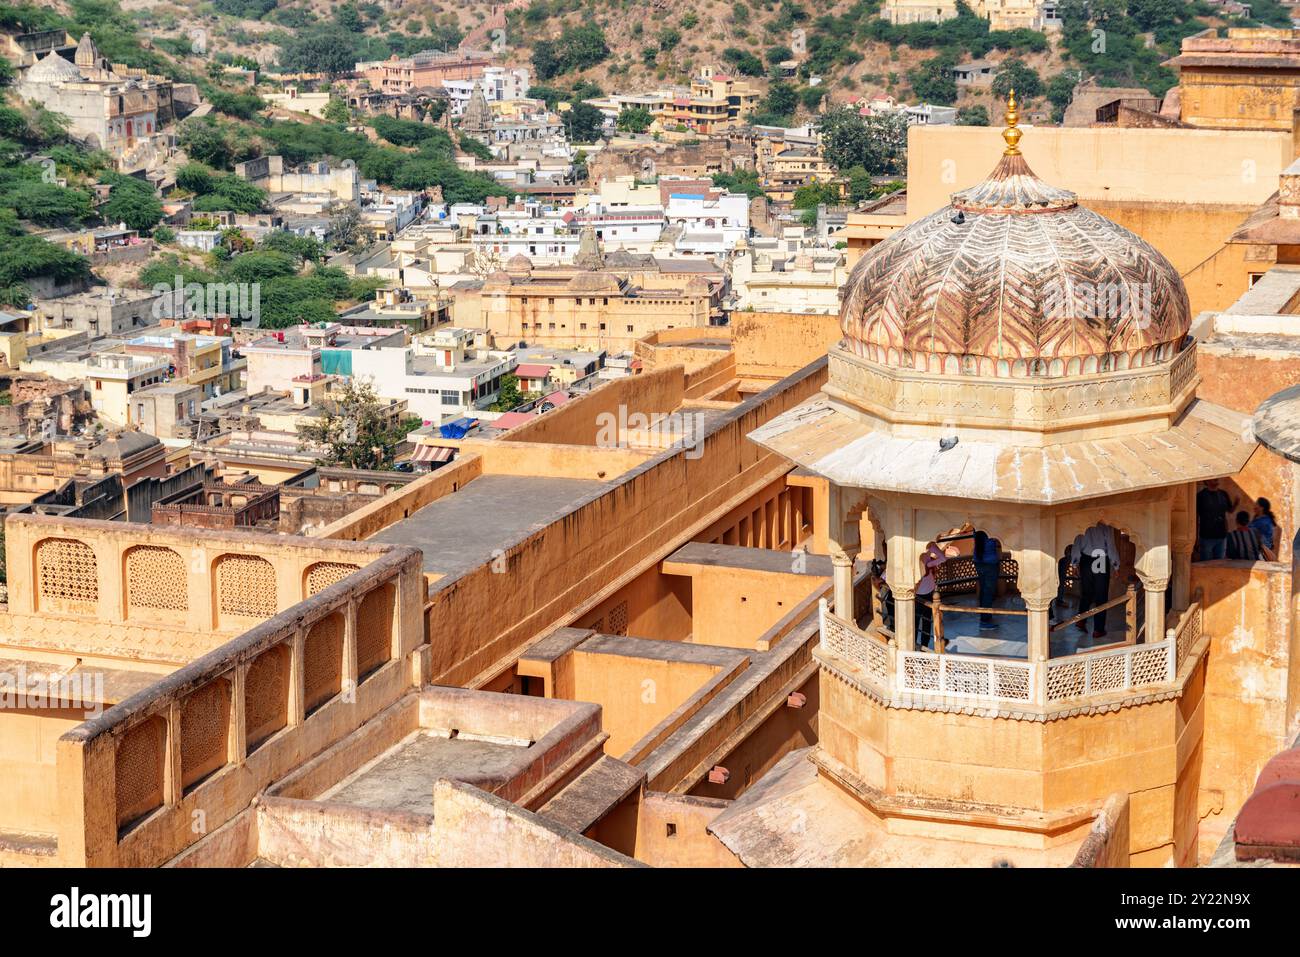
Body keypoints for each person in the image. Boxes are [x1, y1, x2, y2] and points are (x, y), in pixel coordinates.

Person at [1073, 524, 1119, 640]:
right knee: (1101, 596)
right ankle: (1098, 630)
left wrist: (1075, 563)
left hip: (1086, 559)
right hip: (1099, 557)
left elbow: (1077, 541)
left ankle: (1081, 621)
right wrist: (1116, 565)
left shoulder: (1083, 521)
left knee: (1086, 593)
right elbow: (1111, 545)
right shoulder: (1106, 524)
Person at [915, 542, 947, 649]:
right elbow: (943, 558)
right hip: (928, 588)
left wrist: (928, 565)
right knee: (926, 620)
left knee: (915, 620)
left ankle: (913, 646)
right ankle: (924, 646)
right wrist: (929, 564)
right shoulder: (930, 544)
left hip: (915, 588)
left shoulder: (911, 544)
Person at [1196, 479, 1237, 561]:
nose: (1216, 479)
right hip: (1206, 537)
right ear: (1207, 481)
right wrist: (1196, 538)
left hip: (1222, 536)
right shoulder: (1200, 496)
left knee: (1220, 564)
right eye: (1213, 478)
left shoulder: (1223, 494)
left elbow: (1230, 510)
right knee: (1206, 565)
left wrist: (1236, 503)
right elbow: (1196, 517)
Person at [971, 529, 1001, 631]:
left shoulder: (977, 532)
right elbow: (998, 541)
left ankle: (985, 615)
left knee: (984, 590)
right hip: (990, 564)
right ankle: (984, 621)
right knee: (988, 592)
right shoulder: (991, 531)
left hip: (979, 563)